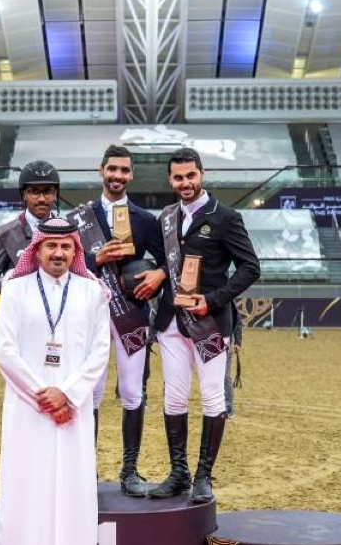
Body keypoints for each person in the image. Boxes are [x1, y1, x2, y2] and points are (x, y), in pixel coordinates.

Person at [0, 218, 110, 545]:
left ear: (76, 251)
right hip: (28, 410)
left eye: (66, 248)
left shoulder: (93, 292)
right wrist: (44, 395)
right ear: (37, 250)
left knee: (74, 497)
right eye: (50, 247)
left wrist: (70, 394)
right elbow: (5, 351)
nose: (58, 254)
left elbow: (99, 353)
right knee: (24, 495)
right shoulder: (15, 288)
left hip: (73, 412)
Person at [147, 148, 260, 505]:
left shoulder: (225, 217)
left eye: (190, 176)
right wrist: (159, 272)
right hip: (170, 322)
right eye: (178, 178)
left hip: (210, 322)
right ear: (171, 180)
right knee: (174, 395)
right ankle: (179, 473)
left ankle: (203, 476)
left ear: (202, 174)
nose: (185, 183)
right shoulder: (166, 217)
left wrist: (212, 300)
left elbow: (250, 267)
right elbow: (166, 262)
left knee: (212, 398)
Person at [70, 144, 168, 496]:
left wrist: (157, 274)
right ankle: (87, 469)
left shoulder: (145, 220)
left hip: (131, 315)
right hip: (90, 317)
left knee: (131, 391)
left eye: (125, 170)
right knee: (92, 394)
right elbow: (67, 265)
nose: (118, 176)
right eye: (112, 169)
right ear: (101, 171)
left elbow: (166, 260)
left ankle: (129, 470)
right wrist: (97, 259)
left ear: (131, 175)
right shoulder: (78, 218)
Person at [0, 160, 61, 294]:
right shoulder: (5, 234)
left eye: (48, 191)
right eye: (34, 192)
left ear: (55, 194)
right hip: (21, 311)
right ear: (24, 194)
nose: (41, 199)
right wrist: (14, 282)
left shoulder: (67, 231)